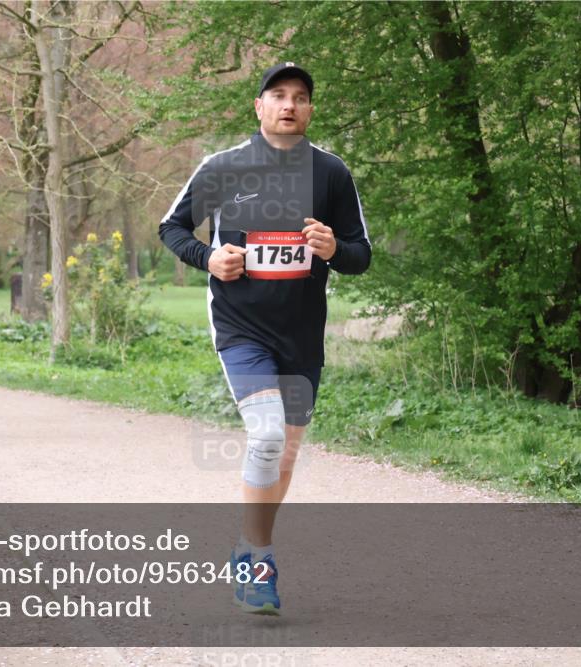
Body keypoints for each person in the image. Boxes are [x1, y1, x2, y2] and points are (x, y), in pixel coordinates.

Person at [159, 63, 372, 614]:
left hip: (302, 335)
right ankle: (258, 560)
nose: (289, 105)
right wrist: (208, 257)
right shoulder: (224, 167)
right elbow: (172, 228)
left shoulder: (331, 173)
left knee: (284, 454)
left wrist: (333, 249)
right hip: (241, 327)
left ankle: (248, 545)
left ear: (310, 110)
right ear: (259, 106)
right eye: (278, 95)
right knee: (268, 433)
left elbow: (360, 255)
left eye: (300, 97)